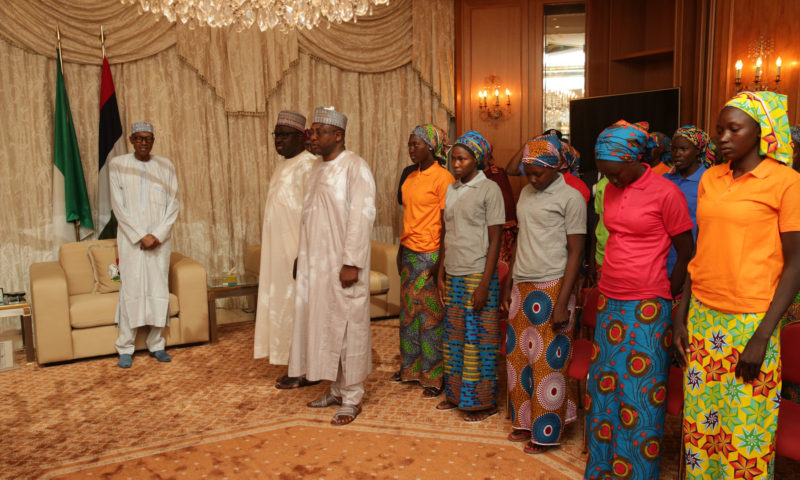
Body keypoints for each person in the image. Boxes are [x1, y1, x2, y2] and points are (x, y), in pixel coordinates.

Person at [673, 91, 800, 480]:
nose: (723, 137)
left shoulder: (786, 181)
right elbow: (701, 251)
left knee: (745, 428)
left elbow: (796, 261)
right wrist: (681, 314)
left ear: (760, 132)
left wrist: (763, 335)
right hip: (704, 317)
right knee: (700, 428)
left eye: (734, 128)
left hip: (751, 320)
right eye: (719, 129)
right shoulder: (712, 178)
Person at [584, 120, 694, 480]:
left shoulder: (666, 194)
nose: (611, 181)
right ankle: (601, 468)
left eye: (615, 173)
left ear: (635, 160)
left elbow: (687, 251)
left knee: (639, 394)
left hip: (648, 306)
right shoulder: (612, 188)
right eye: (604, 174)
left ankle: (634, 473)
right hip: (609, 300)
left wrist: (668, 292)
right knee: (604, 390)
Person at [288, 106, 376, 426]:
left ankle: (352, 396)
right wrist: (303, 256)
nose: (313, 136)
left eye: (319, 131)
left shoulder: (355, 166)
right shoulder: (316, 168)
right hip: (318, 265)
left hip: (344, 265)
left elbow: (362, 216)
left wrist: (351, 262)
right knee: (327, 326)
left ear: (337, 135)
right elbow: (309, 217)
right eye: (312, 131)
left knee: (348, 329)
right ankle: (336, 389)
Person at [501, 136, 586, 454]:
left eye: (538, 172)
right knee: (518, 358)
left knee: (548, 364)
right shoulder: (525, 192)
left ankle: (547, 432)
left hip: (553, 286)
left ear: (556, 167)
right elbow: (522, 240)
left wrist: (564, 301)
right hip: (522, 283)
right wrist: (510, 283)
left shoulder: (571, 197)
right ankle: (524, 422)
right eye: (528, 171)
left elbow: (577, 252)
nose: (532, 178)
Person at [435, 130, 505, 422]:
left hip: (478, 274)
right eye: (453, 158)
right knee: (454, 339)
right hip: (453, 271)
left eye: (462, 158)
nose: (456, 163)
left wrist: (485, 283)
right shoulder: (451, 189)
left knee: (479, 341)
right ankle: (455, 395)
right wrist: (440, 272)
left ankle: (482, 403)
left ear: (476, 159)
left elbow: (496, 239)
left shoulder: (490, 190)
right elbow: (445, 233)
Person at [254, 111, 320, 390]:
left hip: (296, 254)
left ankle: (304, 370)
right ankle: (292, 365)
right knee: (282, 309)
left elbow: (312, 215)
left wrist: (303, 253)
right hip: (277, 255)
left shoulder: (309, 165)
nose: (278, 140)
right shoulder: (283, 165)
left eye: (284, 135)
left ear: (300, 137)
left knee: (297, 310)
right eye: (275, 135)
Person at [110, 122, 179, 369]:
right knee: (131, 288)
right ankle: (125, 347)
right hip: (132, 241)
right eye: (138, 138)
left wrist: (158, 235)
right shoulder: (118, 165)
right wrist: (141, 235)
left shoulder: (166, 166)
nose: (143, 143)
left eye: (148, 138)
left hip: (159, 242)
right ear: (131, 140)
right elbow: (119, 207)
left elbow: (173, 205)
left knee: (158, 288)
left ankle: (157, 344)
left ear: (153, 140)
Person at [395, 123, 454, 397]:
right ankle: (409, 370)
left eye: (415, 144)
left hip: (430, 254)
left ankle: (433, 377)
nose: (410, 149)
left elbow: (447, 225)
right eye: (409, 144)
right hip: (409, 252)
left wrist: (439, 264)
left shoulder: (443, 179)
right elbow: (408, 217)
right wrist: (400, 250)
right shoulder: (410, 177)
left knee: (430, 318)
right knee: (408, 316)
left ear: (430, 147)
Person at [663, 126, 712, 276]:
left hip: (696, 258)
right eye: (674, 149)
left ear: (697, 150)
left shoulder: (709, 180)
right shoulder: (665, 180)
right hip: (664, 258)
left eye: (683, 149)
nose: (677, 154)